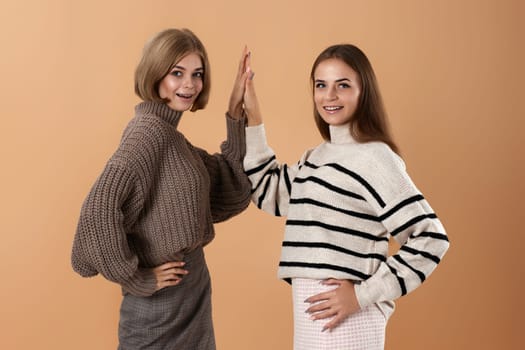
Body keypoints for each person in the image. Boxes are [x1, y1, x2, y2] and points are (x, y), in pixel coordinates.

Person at [241, 44, 450, 349]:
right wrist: (254, 117)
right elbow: (268, 190)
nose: (330, 96)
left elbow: (431, 238)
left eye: (343, 85)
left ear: (363, 91)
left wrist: (361, 295)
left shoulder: (375, 157)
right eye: (321, 85)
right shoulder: (316, 158)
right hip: (312, 321)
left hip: (348, 325)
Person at [71, 28, 253, 350]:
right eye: (177, 73)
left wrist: (235, 112)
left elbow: (233, 188)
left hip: (192, 292)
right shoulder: (148, 134)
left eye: (197, 74)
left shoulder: (171, 138)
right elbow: (98, 211)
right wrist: (137, 277)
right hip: (159, 308)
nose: (189, 85)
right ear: (156, 75)